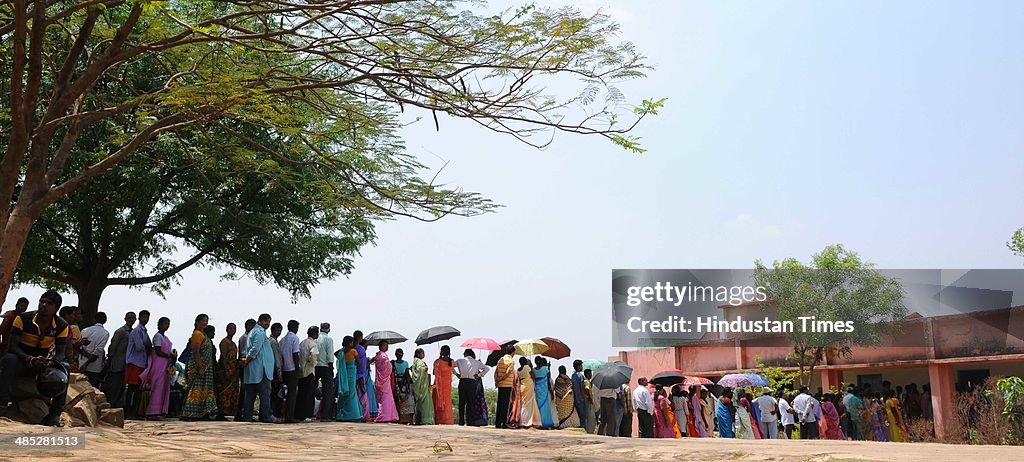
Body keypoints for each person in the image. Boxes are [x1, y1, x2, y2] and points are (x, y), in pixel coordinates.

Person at [0, 291, 69, 426]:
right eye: (42, 301)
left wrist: (50, 362)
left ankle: (54, 414)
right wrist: (29, 358)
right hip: (21, 360)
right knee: (9, 359)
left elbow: (61, 352)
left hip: (42, 364)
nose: (43, 305)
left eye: (49, 303)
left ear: (56, 308)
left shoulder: (61, 325)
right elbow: (12, 346)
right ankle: (1, 406)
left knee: (65, 367)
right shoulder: (23, 319)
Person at [239, 313, 275, 423]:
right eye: (265, 321)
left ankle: (248, 416)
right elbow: (255, 349)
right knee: (264, 394)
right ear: (259, 321)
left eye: (269, 321)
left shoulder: (252, 332)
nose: (267, 324)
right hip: (261, 368)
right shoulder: (260, 333)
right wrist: (247, 360)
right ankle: (266, 416)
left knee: (250, 394)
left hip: (252, 369)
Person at [181, 315, 218, 421]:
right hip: (198, 367)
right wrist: (200, 367)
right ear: (197, 322)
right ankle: (189, 413)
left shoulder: (204, 335)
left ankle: (203, 412)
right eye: (203, 321)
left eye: (206, 321)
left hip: (207, 368)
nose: (205, 323)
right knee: (195, 389)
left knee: (204, 390)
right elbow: (196, 352)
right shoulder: (197, 334)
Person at [139, 317, 174, 420]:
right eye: (164, 323)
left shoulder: (166, 338)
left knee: (163, 387)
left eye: (168, 323)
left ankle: (160, 411)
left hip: (165, 365)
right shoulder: (157, 337)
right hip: (158, 364)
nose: (166, 325)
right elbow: (158, 350)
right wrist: (168, 355)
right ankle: (152, 412)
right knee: (157, 386)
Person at [124, 309, 152, 419]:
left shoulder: (144, 331)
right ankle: (129, 411)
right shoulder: (136, 331)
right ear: (139, 318)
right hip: (134, 362)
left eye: (147, 318)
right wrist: (147, 346)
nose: (145, 319)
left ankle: (136, 411)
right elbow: (140, 347)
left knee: (138, 389)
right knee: (132, 388)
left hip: (141, 363)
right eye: (144, 317)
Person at [104, 311, 135, 408]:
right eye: (129, 318)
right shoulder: (120, 331)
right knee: (114, 387)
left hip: (127, 365)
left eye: (133, 318)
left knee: (122, 388)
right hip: (117, 364)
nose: (131, 320)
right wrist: (110, 359)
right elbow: (112, 346)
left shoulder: (133, 332)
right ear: (125, 319)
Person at [454, 348, 488, 426]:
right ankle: (470, 421)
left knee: (462, 402)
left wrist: (456, 374)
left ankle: (461, 421)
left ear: (465, 354)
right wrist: (479, 375)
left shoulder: (460, 361)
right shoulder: (477, 362)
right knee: (471, 402)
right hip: (472, 382)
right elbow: (486, 369)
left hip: (462, 381)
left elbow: (451, 366)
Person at [335, 335, 363, 421]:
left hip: (344, 376)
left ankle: (341, 414)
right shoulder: (353, 351)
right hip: (351, 375)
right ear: (350, 343)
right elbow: (359, 363)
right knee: (352, 394)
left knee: (344, 394)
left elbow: (335, 353)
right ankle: (354, 415)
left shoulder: (341, 353)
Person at [78, 311, 110, 387]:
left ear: (94, 320)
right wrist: (88, 361)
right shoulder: (105, 333)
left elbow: (80, 347)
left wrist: (85, 361)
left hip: (81, 363)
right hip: (94, 368)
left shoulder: (85, 330)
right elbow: (97, 351)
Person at [217, 322, 240, 421]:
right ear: (227, 330)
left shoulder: (233, 343)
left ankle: (229, 411)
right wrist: (227, 370)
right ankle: (221, 412)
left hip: (234, 370)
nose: (232, 330)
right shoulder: (224, 342)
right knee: (224, 392)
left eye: (234, 329)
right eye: (231, 328)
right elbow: (224, 357)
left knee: (232, 393)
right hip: (226, 370)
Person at [372, 340, 398, 423]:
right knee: (386, 398)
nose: (387, 347)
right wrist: (390, 365)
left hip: (379, 379)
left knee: (380, 398)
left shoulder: (377, 355)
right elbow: (388, 368)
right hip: (385, 380)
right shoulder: (383, 356)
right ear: (381, 346)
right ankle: (385, 416)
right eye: (385, 345)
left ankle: (385, 415)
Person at [296, 326, 319, 421]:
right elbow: (313, 354)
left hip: (301, 371)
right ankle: (307, 415)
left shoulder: (302, 343)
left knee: (301, 395)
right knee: (309, 395)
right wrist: (314, 363)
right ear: (314, 334)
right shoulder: (313, 344)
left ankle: (299, 414)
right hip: (309, 371)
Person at [280, 320, 301, 423]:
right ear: (295, 327)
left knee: (283, 393)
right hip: (292, 369)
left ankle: (282, 414)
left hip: (284, 369)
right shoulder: (295, 339)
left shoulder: (282, 340)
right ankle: (289, 416)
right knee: (292, 394)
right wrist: (298, 368)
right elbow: (295, 354)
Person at [315, 322, 335, 422]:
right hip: (326, 366)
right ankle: (325, 415)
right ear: (329, 329)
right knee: (327, 392)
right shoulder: (329, 339)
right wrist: (331, 369)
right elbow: (330, 355)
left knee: (311, 390)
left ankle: (308, 413)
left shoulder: (316, 338)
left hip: (315, 366)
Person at [493, 344, 515, 429]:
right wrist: (500, 379)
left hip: (500, 385)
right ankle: (504, 423)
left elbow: (496, 372)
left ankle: (498, 423)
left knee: (499, 403)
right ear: (513, 352)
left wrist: (496, 380)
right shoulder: (511, 361)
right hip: (507, 384)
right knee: (505, 405)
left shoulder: (500, 360)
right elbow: (508, 373)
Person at [516, 356, 542, 428]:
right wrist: (530, 365)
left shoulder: (518, 370)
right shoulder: (527, 367)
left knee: (523, 403)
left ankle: (527, 420)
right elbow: (533, 376)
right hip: (529, 385)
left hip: (522, 386)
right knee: (529, 403)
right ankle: (526, 421)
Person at [432, 345, 455, 425]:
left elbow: (434, 372)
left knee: (437, 399)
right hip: (447, 384)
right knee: (447, 401)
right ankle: (447, 419)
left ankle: (438, 419)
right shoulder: (452, 362)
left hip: (439, 384)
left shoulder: (437, 362)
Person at [411, 348, 434, 425]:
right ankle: (426, 420)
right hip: (422, 386)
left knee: (419, 404)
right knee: (425, 404)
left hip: (421, 385)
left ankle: (418, 419)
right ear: (418, 354)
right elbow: (419, 371)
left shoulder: (415, 361)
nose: (424, 354)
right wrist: (424, 369)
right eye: (422, 353)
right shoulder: (419, 362)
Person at [58, 306, 84, 373]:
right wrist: (71, 361)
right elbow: (70, 345)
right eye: (73, 314)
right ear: (67, 315)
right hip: (65, 359)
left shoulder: (59, 325)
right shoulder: (69, 327)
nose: (74, 316)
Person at [392, 348, 414, 424]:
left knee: (406, 400)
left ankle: (409, 419)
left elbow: (407, 375)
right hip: (397, 383)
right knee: (398, 400)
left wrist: (408, 386)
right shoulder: (393, 363)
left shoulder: (405, 363)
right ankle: (400, 418)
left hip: (402, 383)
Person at [534, 357, 556, 429]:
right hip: (544, 391)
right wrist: (551, 392)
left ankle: (538, 422)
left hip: (537, 391)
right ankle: (544, 423)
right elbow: (548, 382)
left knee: (538, 406)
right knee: (544, 407)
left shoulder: (533, 370)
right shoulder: (545, 369)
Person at [353, 330, 370, 421]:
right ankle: (361, 415)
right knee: (362, 396)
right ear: (360, 338)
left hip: (352, 375)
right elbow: (361, 365)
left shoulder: (351, 348)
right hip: (360, 375)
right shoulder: (360, 349)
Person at [268, 322, 283, 419]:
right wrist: (280, 375)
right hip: (274, 371)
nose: (279, 332)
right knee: (274, 394)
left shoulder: (269, 341)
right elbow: (277, 360)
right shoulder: (273, 342)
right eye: (277, 330)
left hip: (269, 370)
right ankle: (273, 413)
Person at [571, 360, 589, 432]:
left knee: (579, 415)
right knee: (583, 416)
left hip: (576, 399)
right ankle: (584, 429)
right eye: (581, 365)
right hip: (581, 399)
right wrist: (584, 396)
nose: (582, 367)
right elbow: (582, 387)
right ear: (578, 366)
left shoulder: (573, 375)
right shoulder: (580, 376)